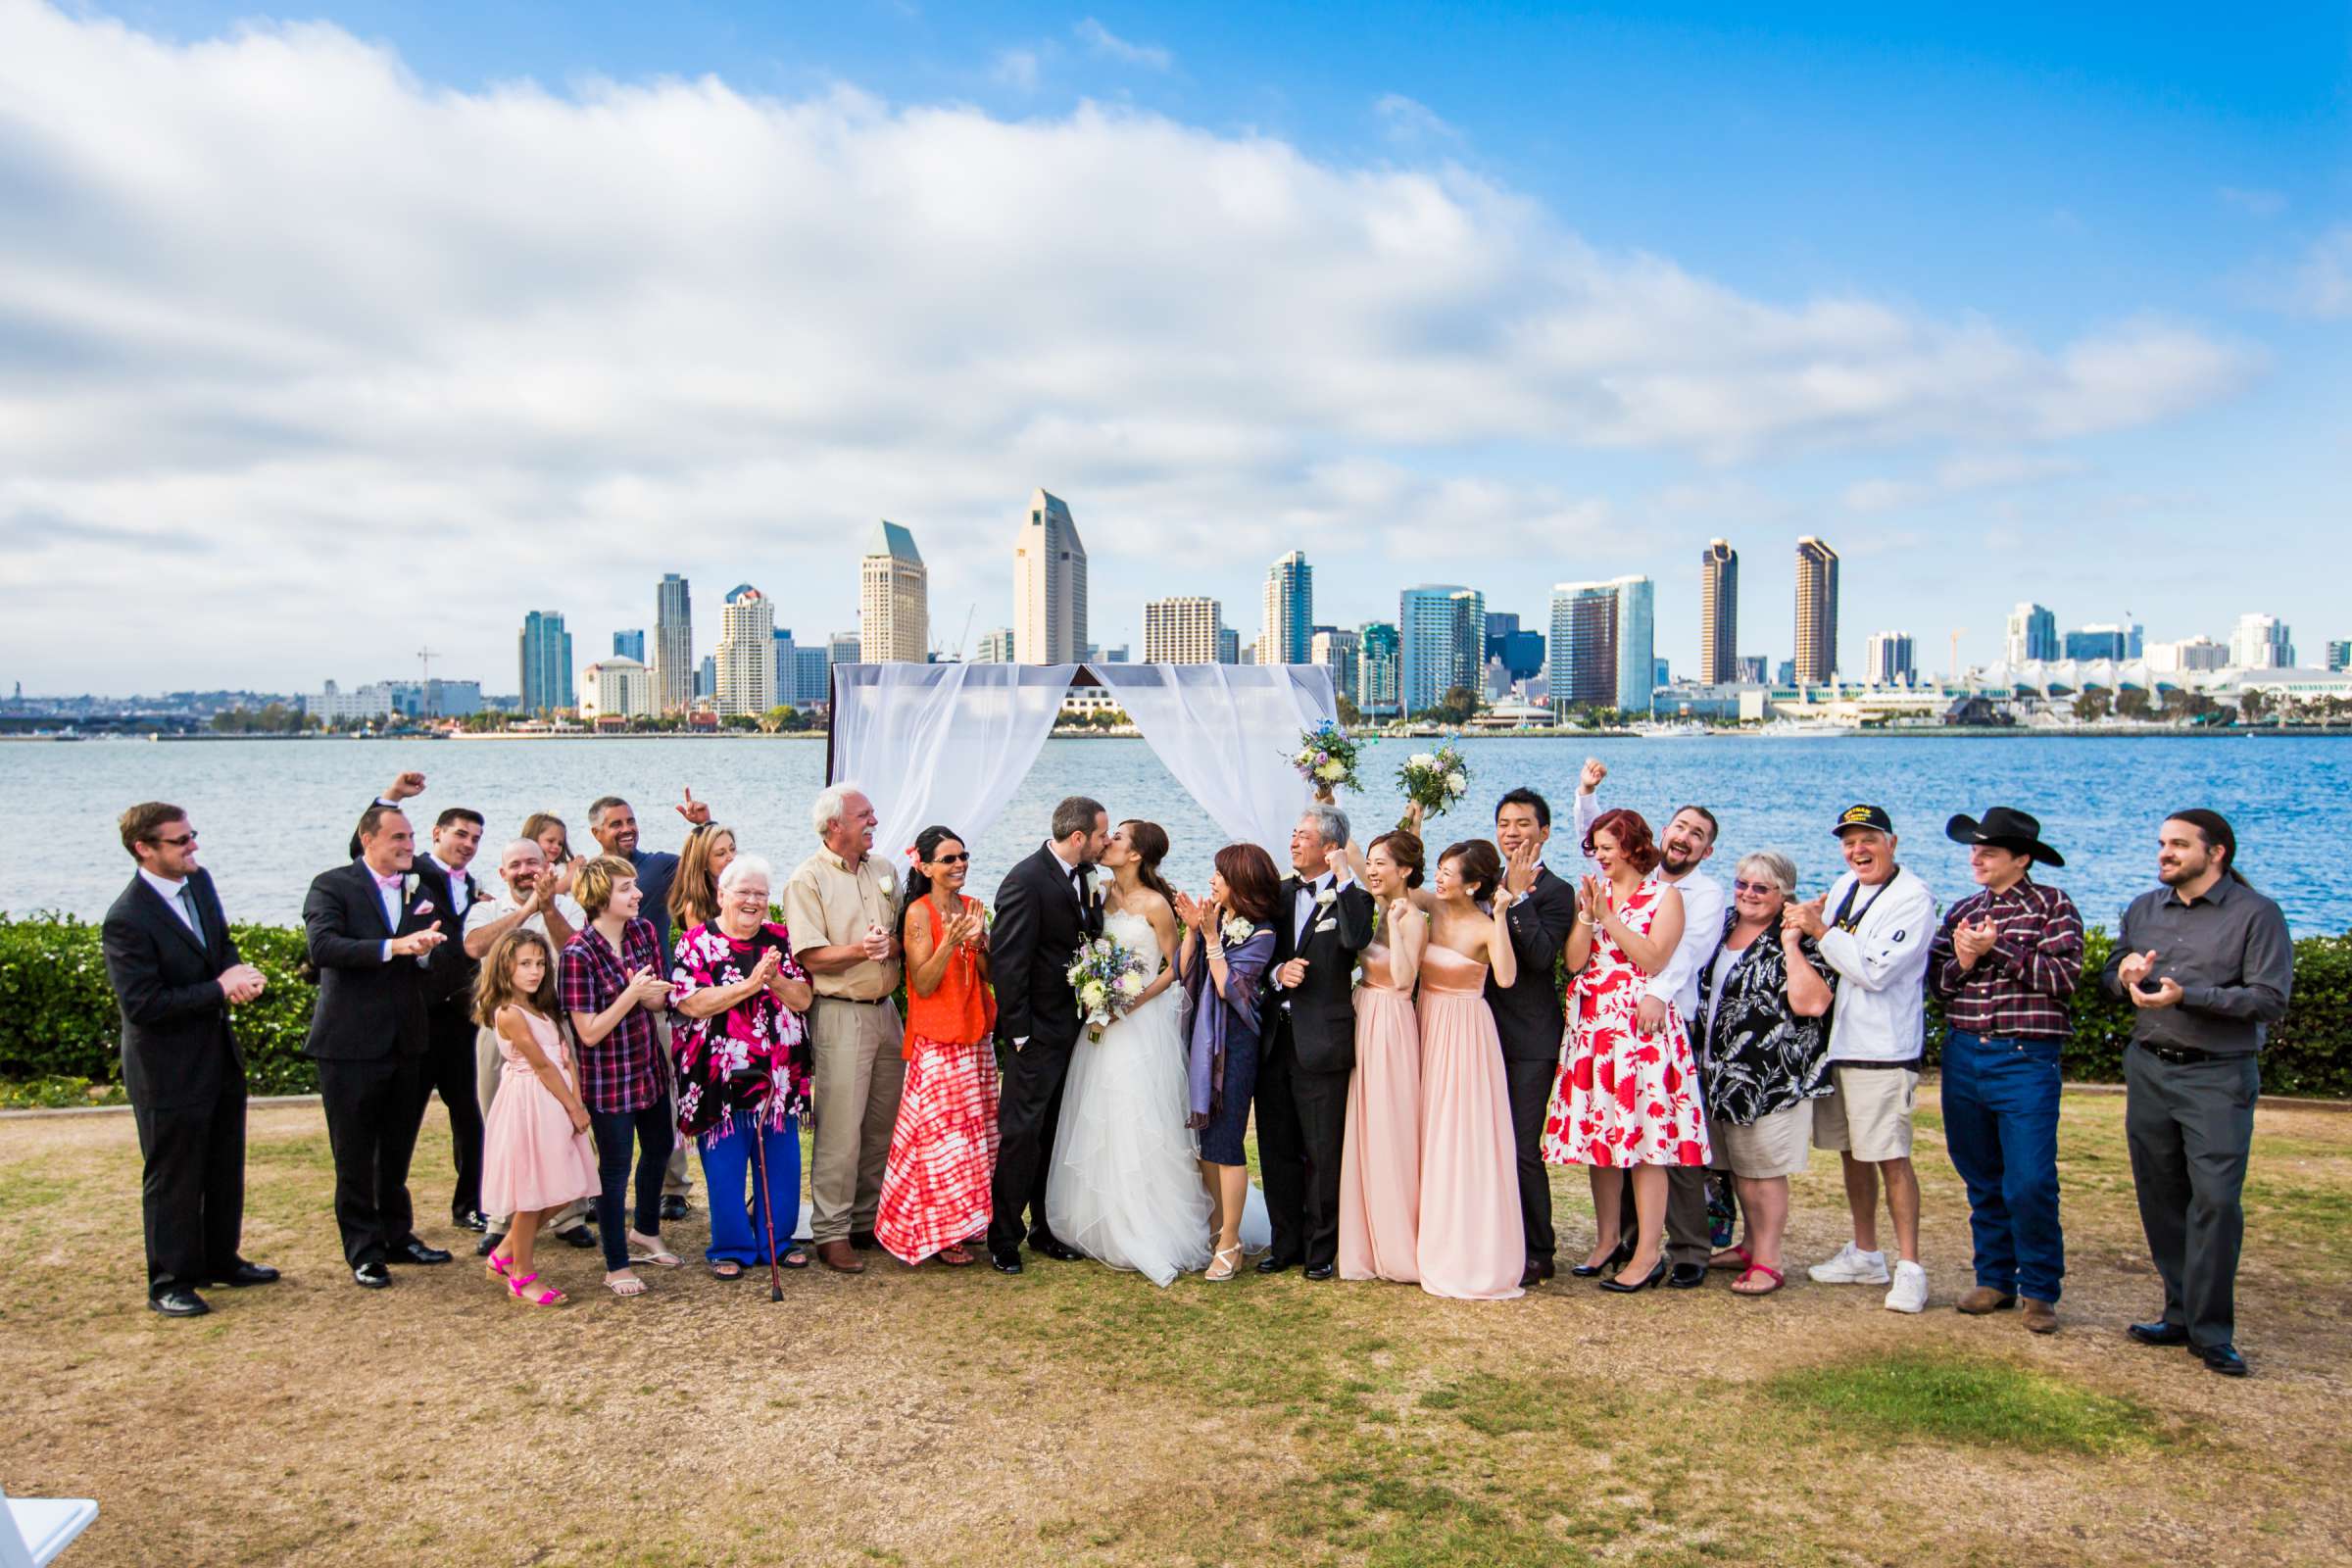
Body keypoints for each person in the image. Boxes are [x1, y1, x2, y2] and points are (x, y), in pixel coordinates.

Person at [2103, 809, 2292, 1378]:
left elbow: (2268, 999)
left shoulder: (2257, 915)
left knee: (2214, 1200)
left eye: (2179, 844)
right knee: (2159, 1195)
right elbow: (2112, 974)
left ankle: (2212, 1332)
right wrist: (2126, 974)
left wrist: (2191, 995)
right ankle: (2179, 1312)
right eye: (2162, 842)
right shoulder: (2143, 908)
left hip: (2217, 1075)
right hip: (2149, 1070)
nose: (2165, 852)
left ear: (2217, 854)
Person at [101, 803, 276, 1318]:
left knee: (224, 1163)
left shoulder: (200, 883)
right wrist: (217, 989)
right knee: (173, 1176)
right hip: (165, 1069)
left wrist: (238, 974)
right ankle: (170, 1281)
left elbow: (220, 946)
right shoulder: (126, 918)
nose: (192, 847)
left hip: (217, 1055)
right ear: (145, 849)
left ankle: (221, 1260)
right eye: (180, 841)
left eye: (191, 836)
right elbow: (143, 1006)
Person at [1575, 760, 1729, 1289]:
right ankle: (1623, 1240)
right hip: (1604, 1025)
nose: (1685, 838)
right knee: (1617, 1139)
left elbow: (1682, 956)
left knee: (1664, 1148)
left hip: (1659, 1019)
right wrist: (1587, 793)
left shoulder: (1698, 895)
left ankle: (1686, 1249)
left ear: (1708, 850)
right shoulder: (1631, 879)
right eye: (1680, 827)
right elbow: (1599, 841)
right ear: (1662, 835)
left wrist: (1656, 994)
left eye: (1698, 835)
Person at [1931, 808, 2083, 1335]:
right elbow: (1939, 983)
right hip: (1965, 1051)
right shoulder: (1962, 910)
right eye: (1975, 849)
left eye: (1989, 851)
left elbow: (2064, 978)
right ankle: (1995, 1277)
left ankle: (2040, 1288)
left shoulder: (2053, 906)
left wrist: (1999, 951)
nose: (1977, 857)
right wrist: (1966, 961)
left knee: (2030, 1179)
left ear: (2021, 859)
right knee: (1980, 1172)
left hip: (2024, 1057)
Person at [1543, 809, 1707, 1294]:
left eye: (1608, 846)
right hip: (1595, 1031)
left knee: (1647, 1144)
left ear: (1634, 846)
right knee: (1603, 1141)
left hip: (1641, 1033)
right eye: (1596, 847)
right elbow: (1574, 962)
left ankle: (1649, 1252)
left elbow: (1655, 957)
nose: (1600, 855)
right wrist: (1587, 917)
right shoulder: (1595, 897)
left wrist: (1610, 919)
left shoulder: (1665, 896)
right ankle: (1608, 1239)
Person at [1784, 804, 1938, 1314]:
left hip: (1884, 1048)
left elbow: (1874, 970)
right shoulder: (1845, 885)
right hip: (1840, 1043)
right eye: (1849, 842)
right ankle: (1866, 1253)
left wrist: (1821, 931)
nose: (1858, 850)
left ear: (1892, 841)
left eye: (1868, 839)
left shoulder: (1913, 899)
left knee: (1891, 1155)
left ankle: (1910, 1267)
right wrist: (1804, 924)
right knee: (1852, 1152)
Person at [1047, 820, 1215, 1285]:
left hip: (1139, 1024)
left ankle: (1144, 1219)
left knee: (1137, 1115)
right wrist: (1093, 992)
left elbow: (1174, 967)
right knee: (1096, 1111)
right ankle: (1099, 1215)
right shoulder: (1098, 893)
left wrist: (1129, 1003)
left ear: (1137, 854)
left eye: (1118, 838)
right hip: (1101, 1021)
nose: (1109, 842)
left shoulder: (1156, 904)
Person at [302, 803, 453, 1288]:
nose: (410, 846)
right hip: (349, 1043)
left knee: (397, 1146)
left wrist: (427, 953)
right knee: (354, 1151)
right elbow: (322, 948)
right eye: (399, 838)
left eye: (411, 837)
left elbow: (435, 950)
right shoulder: (332, 886)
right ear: (368, 840)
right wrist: (395, 947)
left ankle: (396, 1232)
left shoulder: (421, 889)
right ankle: (364, 1249)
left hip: (407, 1039)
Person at [1690, 851, 1836, 1298]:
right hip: (1719, 1073)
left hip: (1770, 1076)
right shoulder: (1724, 923)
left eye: (1761, 888)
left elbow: (1813, 1002)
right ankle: (1749, 1245)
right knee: (1734, 1168)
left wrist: (1792, 944)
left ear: (1783, 893)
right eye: (1742, 885)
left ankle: (1769, 1260)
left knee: (1762, 1172)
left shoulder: (1797, 935)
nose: (1748, 894)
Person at [669, 856, 815, 1279]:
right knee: (726, 1167)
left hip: (779, 1076)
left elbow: (803, 999)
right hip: (719, 1076)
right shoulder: (696, 943)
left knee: (783, 1165)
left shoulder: (781, 939)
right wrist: (750, 985)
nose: (752, 901)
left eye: (760, 894)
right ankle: (731, 1245)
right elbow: (691, 1002)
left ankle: (778, 1241)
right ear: (722, 895)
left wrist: (772, 980)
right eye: (743, 892)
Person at [784, 782, 908, 1274]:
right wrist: (863, 949)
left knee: (883, 1122)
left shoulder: (884, 870)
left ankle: (865, 1219)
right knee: (840, 1126)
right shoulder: (807, 880)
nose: (873, 821)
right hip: (839, 1012)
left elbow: (897, 936)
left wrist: (893, 946)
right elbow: (810, 955)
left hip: (886, 1011)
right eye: (865, 815)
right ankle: (831, 1232)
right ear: (835, 825)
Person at [986, 796, 1110, 1274]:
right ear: (1078, 837)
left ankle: (1044, 1228)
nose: (1106, 841)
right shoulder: (1026, 880)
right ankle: (1003, 1236)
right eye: (1101, 835)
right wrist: (1018, 1034)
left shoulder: (1083, 877)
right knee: (1021, 1134)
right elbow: (1009, 962)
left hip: (1070, 1029)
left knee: (1055, 1132)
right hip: (1035, 1035)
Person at [1256, 805, 1377, 1280]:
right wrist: (1275, 973)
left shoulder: (1355, 899)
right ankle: (1283, 1243)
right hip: (1274, 1039)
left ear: (1330, 847)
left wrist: (1346, 878)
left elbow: (1356, 939)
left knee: (1323, 1149)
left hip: (1322, 1042)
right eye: (1293, 832)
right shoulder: (1278, 895)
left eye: (1304, 835)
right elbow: (1258, 950)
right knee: (1276, 1144)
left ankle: (1321, 1248)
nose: (1294, 841)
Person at [877, 827, 1003, 1268]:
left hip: (976, 1036)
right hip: (938, 1039)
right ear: (925, 866)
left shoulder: (972, 908)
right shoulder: (917, 913)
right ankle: (939, 1231)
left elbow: (987, 975)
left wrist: (978, 944)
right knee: (940, 1141)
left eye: (963, 856)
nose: (959, 865)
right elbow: (924, 984)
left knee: (975, 1137)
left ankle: (969, 1224)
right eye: (948, 859)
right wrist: (950, 943)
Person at [464, 838, 593, 1257]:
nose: (524, 870)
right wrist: (526, 912)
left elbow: (576, 946)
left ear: (547, 866)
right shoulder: (486, 909)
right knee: (505, 1128)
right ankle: (502, 1222)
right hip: (503, 1026)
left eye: (532, 863)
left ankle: (568, 1216)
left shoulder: (567, 904)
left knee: (560, 1137)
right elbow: (476, 946)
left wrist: (549, 906)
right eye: (515, 864)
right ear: (503, 873)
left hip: (552, 1021)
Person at [589, 791, 715, 1218]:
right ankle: (600, 1191)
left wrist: (702, 826)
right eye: (615, 824)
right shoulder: (586, 877)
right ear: (595, 833)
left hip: (654, 1006)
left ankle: (674, 1188)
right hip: (600, 1010)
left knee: (666, 1094)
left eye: (630, 821)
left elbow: (707, 868)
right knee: (602, 1103)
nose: (627, 829)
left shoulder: (659, 867)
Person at [560, 854, 680, 1298]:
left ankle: (646, 1231)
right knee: (612, 1171)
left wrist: (652, 996)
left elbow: (656, 1001)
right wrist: (632, 994)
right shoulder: (578, 953)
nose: (639, 893)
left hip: (647, 1065)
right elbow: (588, 1033)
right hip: (607, 1079)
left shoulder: (643, 932)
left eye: (635, 885)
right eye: (626, 888)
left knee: (659, 1148)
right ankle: (616, 1265)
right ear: (598, 897)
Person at [1415, 840, 1525, 1300]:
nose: (1438, 879)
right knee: (1423, 1124)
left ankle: (1468, 1246)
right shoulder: (1431, 908)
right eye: (1437, 870)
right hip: (1426, 1021)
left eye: (1447, 872)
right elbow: (1377, 873)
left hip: (1464, 1032)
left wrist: (1501, 913)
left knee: (1459, 1132)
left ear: (1474, 883)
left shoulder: (1484, 926)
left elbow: (1505, 977)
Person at [1485, 788, 1580, 1290]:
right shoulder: (1482, 883)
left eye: (1523, 823)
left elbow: (1545, 959)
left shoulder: (1558, 892)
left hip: (1531, 1039)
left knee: (1522, 1146)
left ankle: (1538, 1250)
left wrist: (1518, 899)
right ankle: (1495, 1236)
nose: (1512, 832)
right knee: (1486, 1143)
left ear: (1544, 831)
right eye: (1504, 823)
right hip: (1478, 1033)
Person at [475, 928, 600, 1307]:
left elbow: (564, 1059)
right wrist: (574, 1107)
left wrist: (576, 1098)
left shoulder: (542, 1009)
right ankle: (521, 1275)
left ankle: (506, 1250)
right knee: (533, 1194)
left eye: (541, 963)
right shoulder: (509, 1013)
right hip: (532, 1104)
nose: (535, 971)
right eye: (525, 963)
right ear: (505, 966)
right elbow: (542, 1065)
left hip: (557, 1102)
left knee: (567, 1185)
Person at [1176, 845, 1281, 1282]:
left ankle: (1232, 1241)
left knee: (1227, 1141)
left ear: (1241, 883)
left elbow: (1230, 990)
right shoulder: (1217, 922)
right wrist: (1192, 931)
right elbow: (1185, 972)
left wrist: (1214, 937)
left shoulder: (1263, 935)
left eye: (1220, 874)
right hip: (1203, 1038)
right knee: (1205, 1142)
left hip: (1234, 1045)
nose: (1213, 880)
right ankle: (1218, 1229)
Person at [1337, 830, 1429, 1285]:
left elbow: (1403, 978)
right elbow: (1347, 849)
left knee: (1387, 1125)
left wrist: (1393, 923)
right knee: (1362, 1122)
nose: (1371, 870)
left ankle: (1394, 1242)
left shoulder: (1410, 916)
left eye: (1380, 864)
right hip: (1364, 1009)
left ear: (1405, 871)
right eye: (1369, 863)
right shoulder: (1374, 905)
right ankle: (1361, 1239)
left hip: (1391, 1019)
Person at [414, 807, 491, 1233]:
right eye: (461, 835)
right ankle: (389, 1218)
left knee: (471, 1114)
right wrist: (390, 798)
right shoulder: (414, 874)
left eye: (476, 839)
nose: (468, 844)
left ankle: (471, 1204)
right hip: (419, 1017)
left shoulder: (478, 889)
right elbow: (361, 850)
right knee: (402, 1118)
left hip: (465, 1018)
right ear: (437, 832)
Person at [667, 823, 738, 936]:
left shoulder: (751, 892)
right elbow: (701, 951)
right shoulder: (696, 909)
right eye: (721, 854)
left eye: (732, 849)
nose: (731, 857)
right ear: (703, 863)